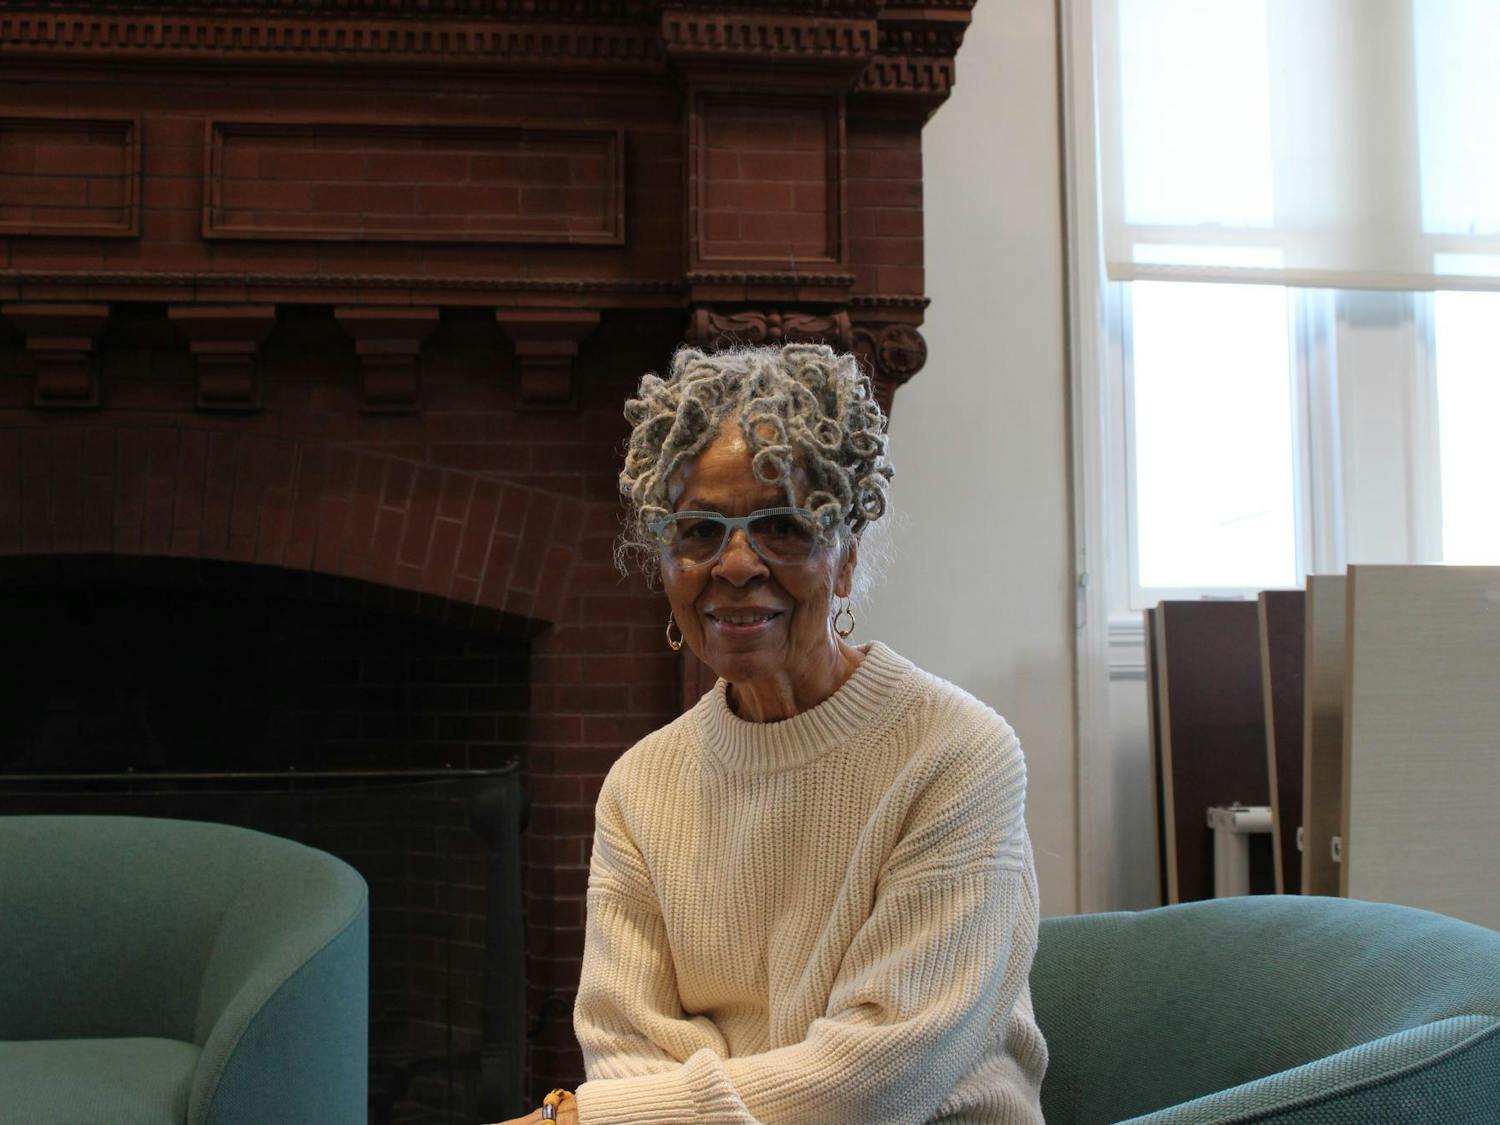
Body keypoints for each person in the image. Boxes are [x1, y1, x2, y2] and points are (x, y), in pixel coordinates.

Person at [500, 343, 1047, 1124]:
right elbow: (625, 1059)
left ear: (848, 556)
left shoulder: (958, 755)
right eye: (698, 531)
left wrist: (580, 1120)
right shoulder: (638, 787)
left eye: (783, 526)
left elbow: (878, 1078)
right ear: (665, 562)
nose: (734, 563)